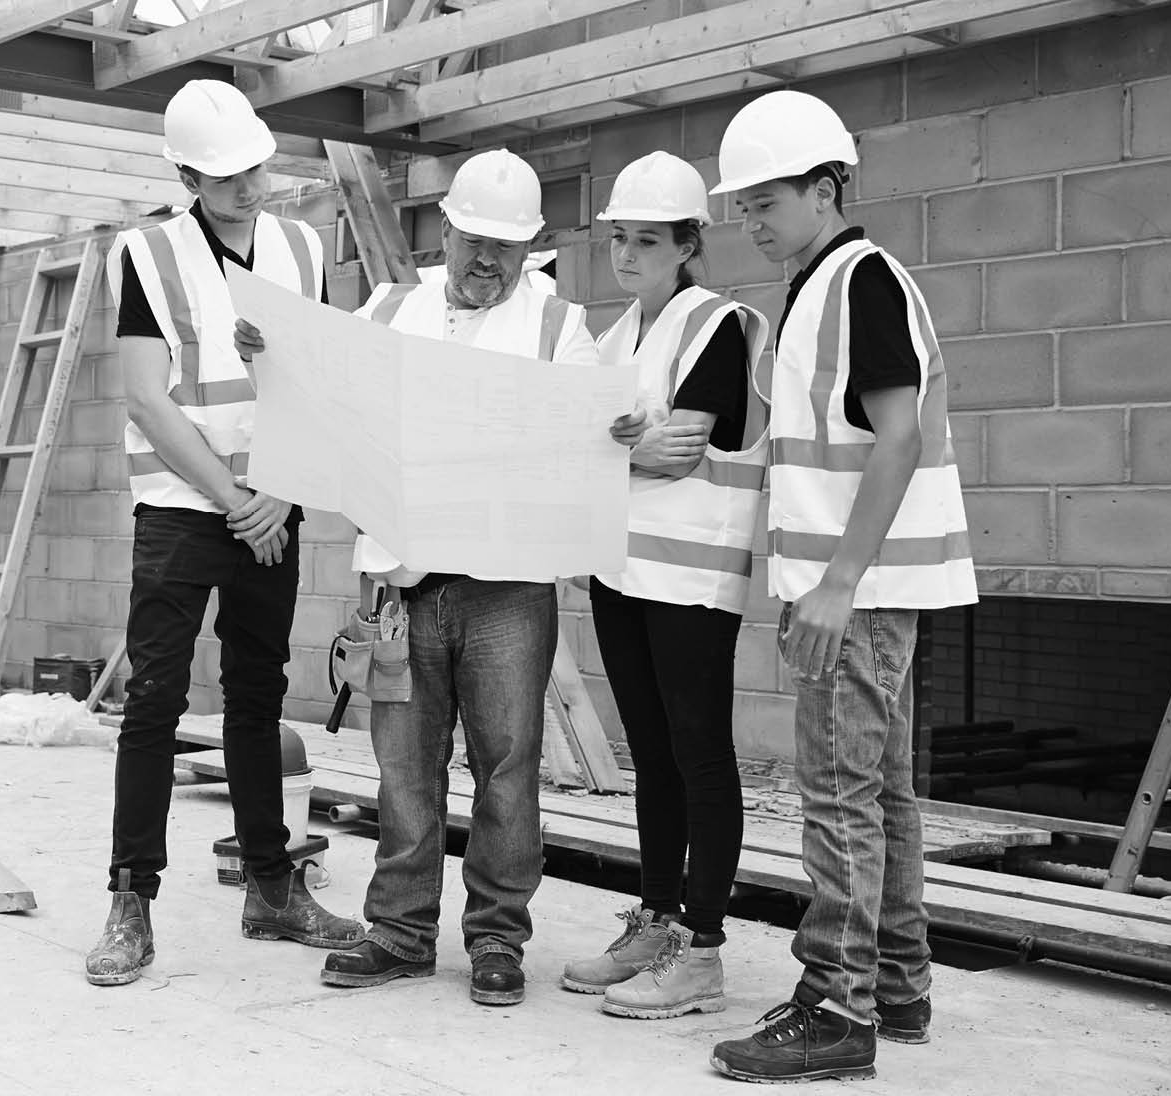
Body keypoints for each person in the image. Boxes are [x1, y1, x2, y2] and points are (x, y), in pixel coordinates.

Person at [703, 91, 977, 1081]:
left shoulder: (858, 281)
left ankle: (834, 1007)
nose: (749, 220)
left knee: (836, 800)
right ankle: (895, 988)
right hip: (856, 590)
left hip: (851, 596)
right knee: (880, 796)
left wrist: (836, 582)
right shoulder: (822, 286)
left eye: (764, 200)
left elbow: (897, 435)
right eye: (740, 205)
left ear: (824, 189)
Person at [286, 150, 599, 1006]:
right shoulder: (388, 308)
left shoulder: (556, 327)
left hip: (507, 586)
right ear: (447, 232)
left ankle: (498, 940)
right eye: (473, 242)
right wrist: (270, 357)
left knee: (508, 768)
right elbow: (329, 412)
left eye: (505, 245)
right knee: (403, 770)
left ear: (530, 243)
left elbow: (577, 436)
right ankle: (399, 931)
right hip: (399, 582)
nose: (487, 261)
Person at [85, 79, 362, 988]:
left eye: (255, 167)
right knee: (157, 700)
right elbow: (144, 396)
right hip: (181, 504)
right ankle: (132, 899)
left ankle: (271, 888)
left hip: (271, 504)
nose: (249, 186)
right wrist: (234, 496)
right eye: (226, 176)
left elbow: (318, 378)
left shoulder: (300, 244)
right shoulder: (147, 253)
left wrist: (275, 495)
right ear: (186, 175)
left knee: (257, 695)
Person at [558, 151, 770, 1020]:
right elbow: (590, 452)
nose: (629, 254)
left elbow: (682, 449)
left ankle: (704, 951)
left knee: (700, 755)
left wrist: (605, 447)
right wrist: (614, 448)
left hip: (689, 579)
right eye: (620, 239)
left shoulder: (718, 324)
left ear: (689, 244)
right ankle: (656, 918)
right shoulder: (615, 340)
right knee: (650, 755)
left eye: (649, 239)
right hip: (622, 571)